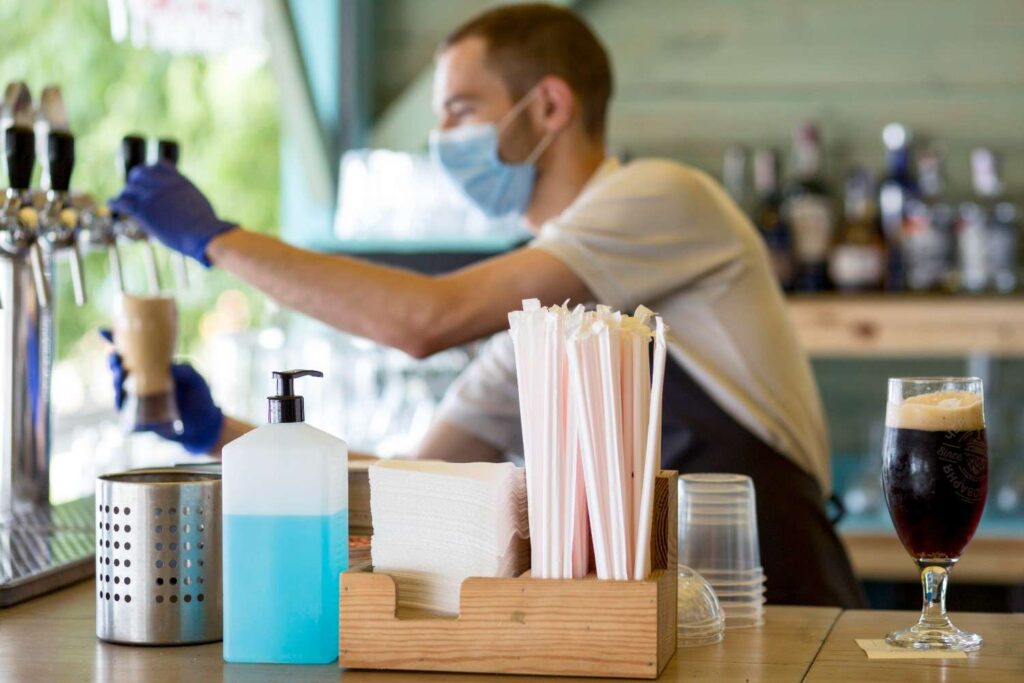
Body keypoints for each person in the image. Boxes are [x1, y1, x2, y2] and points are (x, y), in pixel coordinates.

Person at [107, 3, 865, 607]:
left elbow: (424, 322)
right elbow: (413, 485)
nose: (442, 139)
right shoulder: (542, 319)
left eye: (461, 109)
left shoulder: (661, 196)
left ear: (550, 106)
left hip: (774, 593)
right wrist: (219, 434)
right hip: (649, 620)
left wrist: (217, 239)